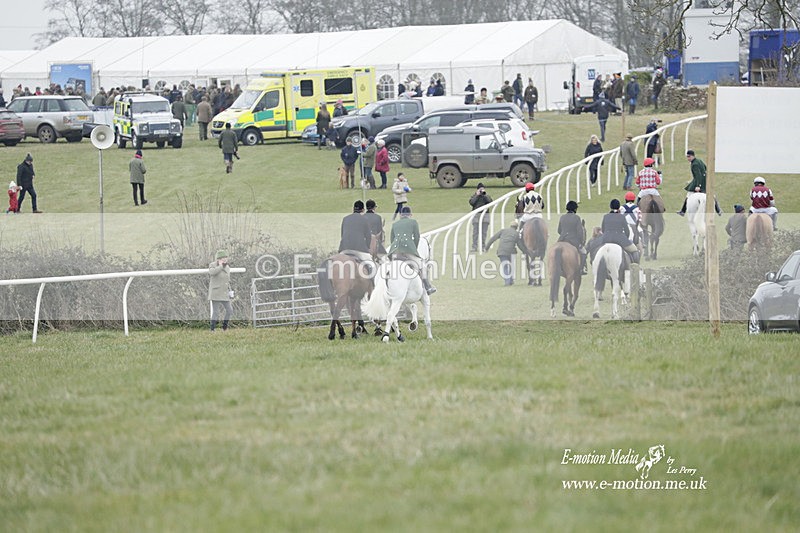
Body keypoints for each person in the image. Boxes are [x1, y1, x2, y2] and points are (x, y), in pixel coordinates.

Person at [388, 206, 436, 295]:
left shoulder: (395, 224)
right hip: (407, 249)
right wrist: (414, 249)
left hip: (394, 251)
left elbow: (392, 239)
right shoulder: (413, 222)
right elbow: (417, 237)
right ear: (410, 214)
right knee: (422, 266)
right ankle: (428, 286)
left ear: (401, 215)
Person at [677, 150, 721, 216]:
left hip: (699, 181)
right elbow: (705, 168)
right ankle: (718, 210)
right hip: (705, 180)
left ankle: (683, 211)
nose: (688, 158)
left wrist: (698, 185)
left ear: (693, 156)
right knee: (711, 194)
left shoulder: (694, 164)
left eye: (689, 156)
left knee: (689, 194)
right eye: (687, 157)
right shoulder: (699, 160)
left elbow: (698, 175)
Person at [485, 220, 525, 286]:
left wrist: (486, 248)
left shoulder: (503, 231)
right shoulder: (516, 234)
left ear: (510, 226)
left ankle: (507, 281)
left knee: (505, 266)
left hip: (502, 252)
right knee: (511, 266)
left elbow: (493, 238)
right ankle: (510, 280)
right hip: (511, 252)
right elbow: (519, 245)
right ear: (516, 227)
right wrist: (525, 251)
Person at [339, 200, 374, 274]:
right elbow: (368, 237)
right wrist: (367, 247)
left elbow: (342, 235)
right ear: (363, 210)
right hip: (359, 248)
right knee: (372, 266)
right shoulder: (365, 219)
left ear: (353, 209)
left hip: (344, 248)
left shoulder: (345, 219)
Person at [602, 199, 639, 263]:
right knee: (634, 250)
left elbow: (603, 229)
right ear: (619, 207)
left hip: (606, 239)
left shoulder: (605, 216)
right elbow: (627, 231)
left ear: (610, 207)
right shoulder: (621, 217)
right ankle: (635, 266)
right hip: (620, 239)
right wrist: (626, 238)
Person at [557, 200, 588, 275]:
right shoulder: (577, 218)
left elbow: (559, 230)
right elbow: (580, 232)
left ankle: (557, 268)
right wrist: (581, 242)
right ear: (575, 209)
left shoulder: (562, 217)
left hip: (562, 240)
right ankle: (582, 269)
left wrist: (564, 234)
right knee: (584, 252)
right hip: (573, 240)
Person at [208, 250, 233, 332]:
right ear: (218, 259)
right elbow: (212, 272)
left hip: (224, 293)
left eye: (226, 258)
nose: (225, 259)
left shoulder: (227, 267)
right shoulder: (212, 265)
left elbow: (227, 280)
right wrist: (221, 266)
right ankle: (212, 329)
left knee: (230, 310)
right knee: (216, 312)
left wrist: (230, 291)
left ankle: (224, 327)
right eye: (223, 258)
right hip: (216, 292)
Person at [469, 182, 493, 252]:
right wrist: (477, 195)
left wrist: (484, 195)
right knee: (475, 233)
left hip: (485, 217)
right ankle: (474, 247)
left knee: (484, 233)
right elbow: (471, 202)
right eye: (480, 189)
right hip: (476, 217)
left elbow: (490, 201)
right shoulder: (474, 196)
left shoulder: (486, 196)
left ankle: (483, 246)